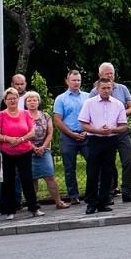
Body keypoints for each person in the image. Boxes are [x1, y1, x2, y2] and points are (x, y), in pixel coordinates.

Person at [0, 87, 42, 219]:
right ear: (5, 101)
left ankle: (33, 208)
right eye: (10, 99)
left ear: (18, 99)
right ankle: (10, 210)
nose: (12, 101)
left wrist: (20, 140)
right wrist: (7, 139)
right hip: (7, 152)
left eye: (15, 98)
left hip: (24, 150)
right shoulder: (0, 115)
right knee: (8, 180)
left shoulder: (26, 114)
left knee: (27, 179)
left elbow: (32, 132)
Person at [78, 79, 128, 213]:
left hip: (110, 140)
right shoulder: (89, 103)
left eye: (108, 88)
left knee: (108, 172)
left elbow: (123, 126)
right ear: (98, 89)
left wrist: (112, 129)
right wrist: (97, 130)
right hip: (94, 139)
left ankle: (103, 202)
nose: (106, 91)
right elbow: (83, 124)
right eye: (103, 88)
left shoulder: (118, 104)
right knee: (93, 172)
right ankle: (90, 202)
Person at [93, 63, 131, 202]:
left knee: (128, 161)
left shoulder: (122, 88)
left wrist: (120, 114)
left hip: (121, 130)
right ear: (100, 75)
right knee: (107, 163)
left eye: (112, 73)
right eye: (107, 74)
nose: (110, 76)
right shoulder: (95, 91)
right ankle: (108, 194)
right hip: (105, 133)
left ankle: (127, 192)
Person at [24, 91, 68, 210]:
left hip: (44, 150)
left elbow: (50, 133)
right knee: (32, 179)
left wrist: (43, 147)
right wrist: (33, 147)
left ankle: (58, 202)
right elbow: (23, 133)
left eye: (34, 100)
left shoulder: (45, 116)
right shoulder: (22, 116)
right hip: (28, 149)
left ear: (38, 102)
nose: (32, 103)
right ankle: (33, 204)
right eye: (29, 100)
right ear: (25, 103)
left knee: (50, 176)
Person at [52, 70, 88, 206]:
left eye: (78, 80)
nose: (76, 83)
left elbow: (92, 116)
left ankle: (93, 191)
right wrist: (71, 134)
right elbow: (58, 120)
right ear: (67, 81)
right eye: (73, 80)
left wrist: (86, 131)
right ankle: (73, 195)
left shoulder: (88, 96)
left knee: (93, 163)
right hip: (68, 136)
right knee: (69, 167)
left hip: (85, 134)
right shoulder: (61, 99)